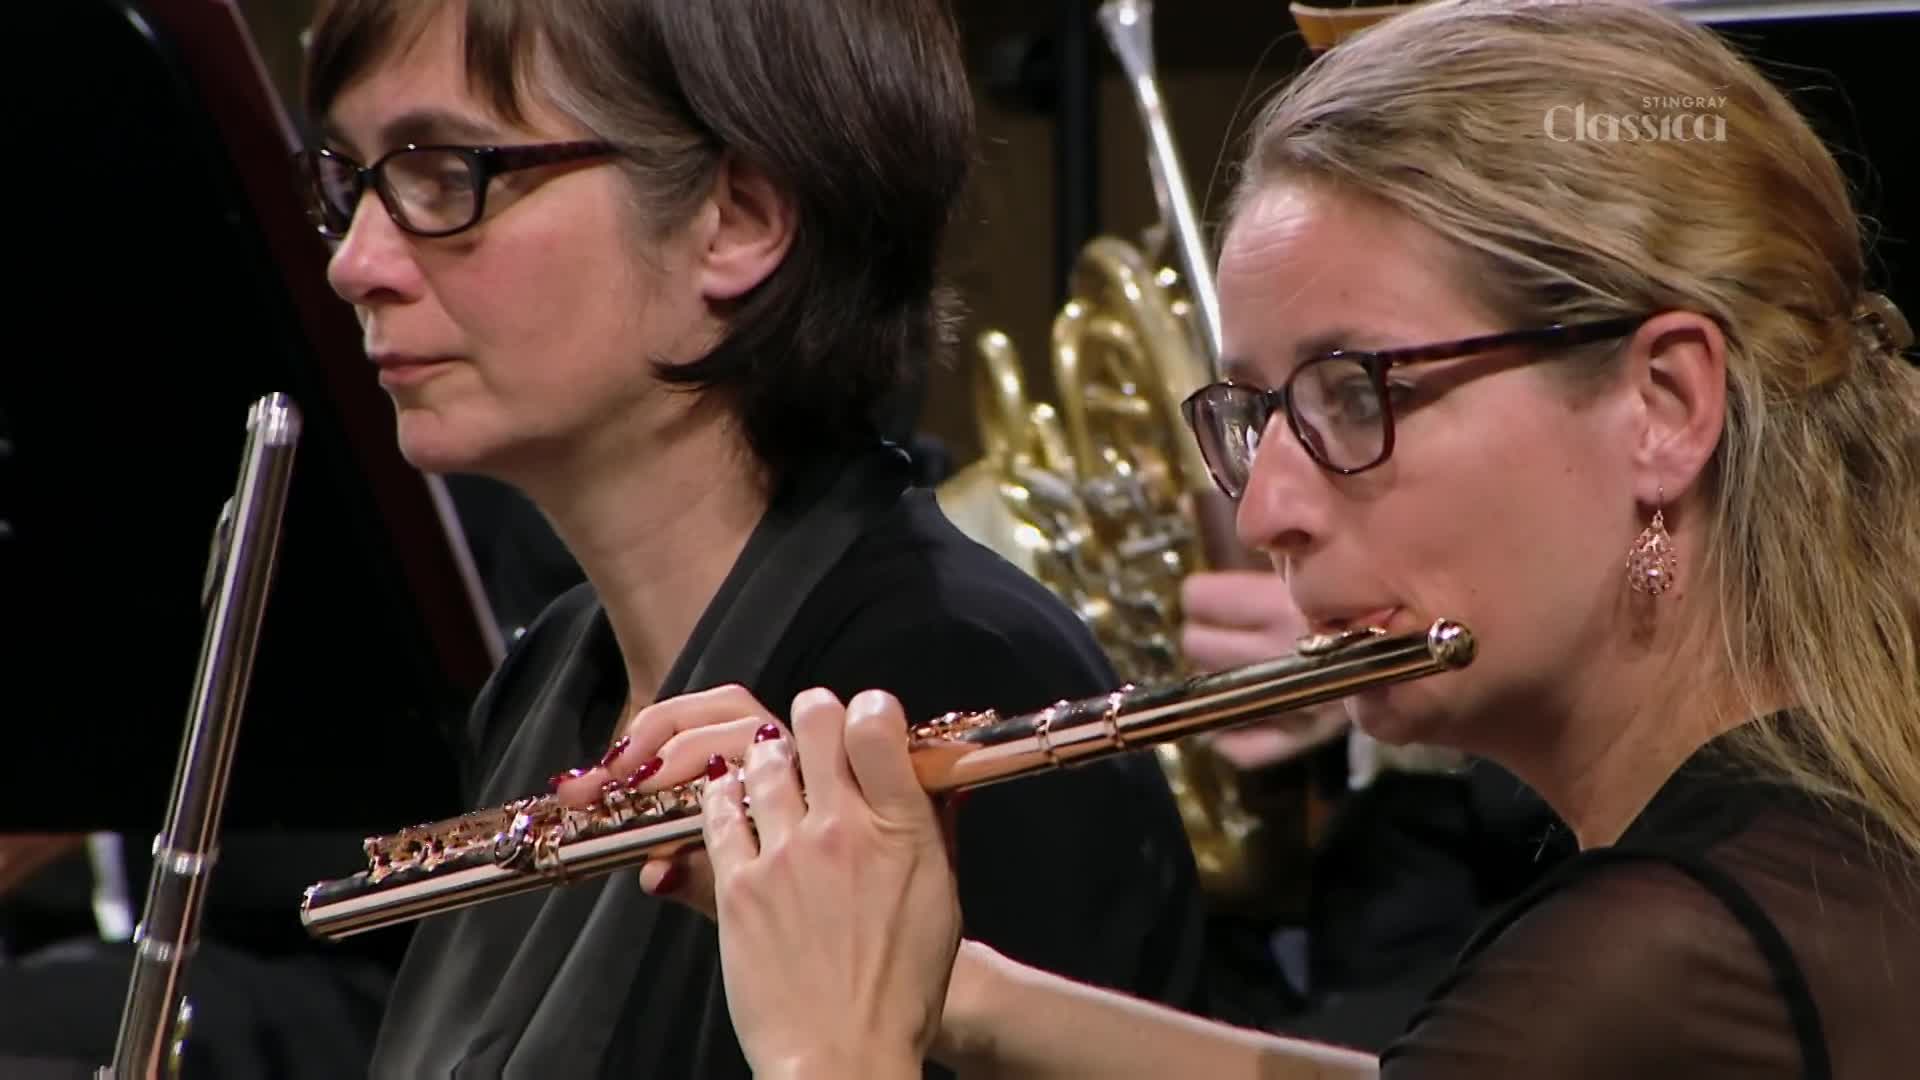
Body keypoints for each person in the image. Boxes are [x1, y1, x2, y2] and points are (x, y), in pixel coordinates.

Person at [604, 1, 1920, 1075]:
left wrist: (835, 1044)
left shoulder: (1659, 963)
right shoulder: (1808, 859)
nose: (1272, 510)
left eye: (1356, 395)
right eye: (1258, 417)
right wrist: (958, 989)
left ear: (1664, 406)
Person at [293, 0, 1208, 1075]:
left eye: (445, 173)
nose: (358, 263)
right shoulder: (548, 675)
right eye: (353, 183)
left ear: (736, 219)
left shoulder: (948, 676)